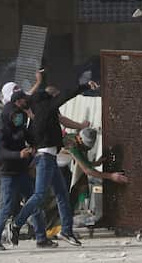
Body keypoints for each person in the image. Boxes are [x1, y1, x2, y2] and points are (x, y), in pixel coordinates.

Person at [7, 74, 99, 249]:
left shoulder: (34, 115)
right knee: (40, 195)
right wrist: (84, 86)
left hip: (49, 157)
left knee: (62, 194)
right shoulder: (46, 108)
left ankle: (66, 230)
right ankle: (17, 224)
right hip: (46, 158)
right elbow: (66, 95)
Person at [0, 91, 42, 250]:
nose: (18, 118)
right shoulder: (3, 131)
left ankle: (41, 237)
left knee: (34, 202)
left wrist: (32, 148)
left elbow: (32, 139)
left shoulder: (21, 129)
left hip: (22, 171)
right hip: (8, 174)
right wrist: (19, 154)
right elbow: (2, 153)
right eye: (15, 116)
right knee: (5, 207)